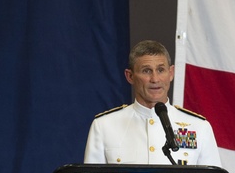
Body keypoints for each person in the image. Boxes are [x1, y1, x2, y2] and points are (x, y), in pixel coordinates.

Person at [83, 40, 222, 166]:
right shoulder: (104, 126)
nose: (155, 79)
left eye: (161, 70)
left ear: (171, 73)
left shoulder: (199, 127)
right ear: (130, 76)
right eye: (146, 71)